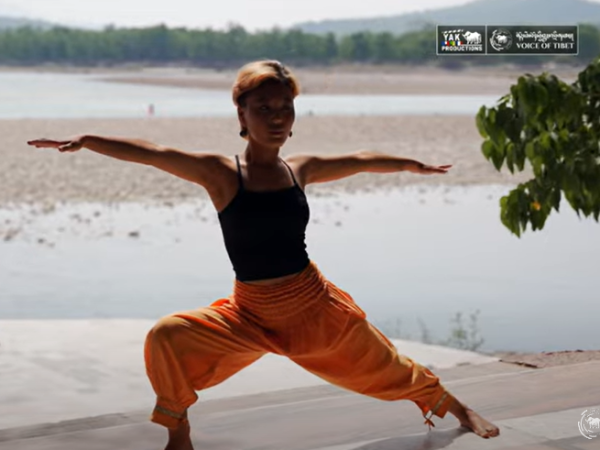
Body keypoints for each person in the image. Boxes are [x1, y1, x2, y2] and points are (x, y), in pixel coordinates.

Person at [28, 59, 500, 450]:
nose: (277, 117)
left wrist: (409, 165)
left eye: (285, 108)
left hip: (313, 310)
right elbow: (154, 151)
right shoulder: (221, 174)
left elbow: (358, 160)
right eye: (264, 108)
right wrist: (89, 140)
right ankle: (179, 431)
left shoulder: (301, 170)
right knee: (167, 336)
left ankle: (458, 408)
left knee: (388, 369)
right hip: (249, 311)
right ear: (241, 115)